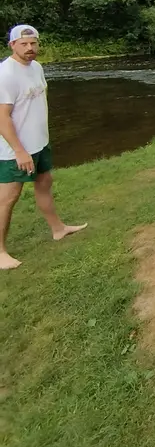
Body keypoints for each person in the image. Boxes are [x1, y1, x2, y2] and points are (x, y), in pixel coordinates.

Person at [0, 25, 87, 269]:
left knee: (44, 183)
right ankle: (0, 251)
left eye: (33, 43)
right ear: (12, 45)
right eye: (24, 44)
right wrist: (19, 150)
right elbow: (2, 117)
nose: (30, 48)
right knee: (7, 198)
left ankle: (58, 229)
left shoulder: (36, 67)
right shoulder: (5, 74)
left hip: (39, 144)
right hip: (13, 151)